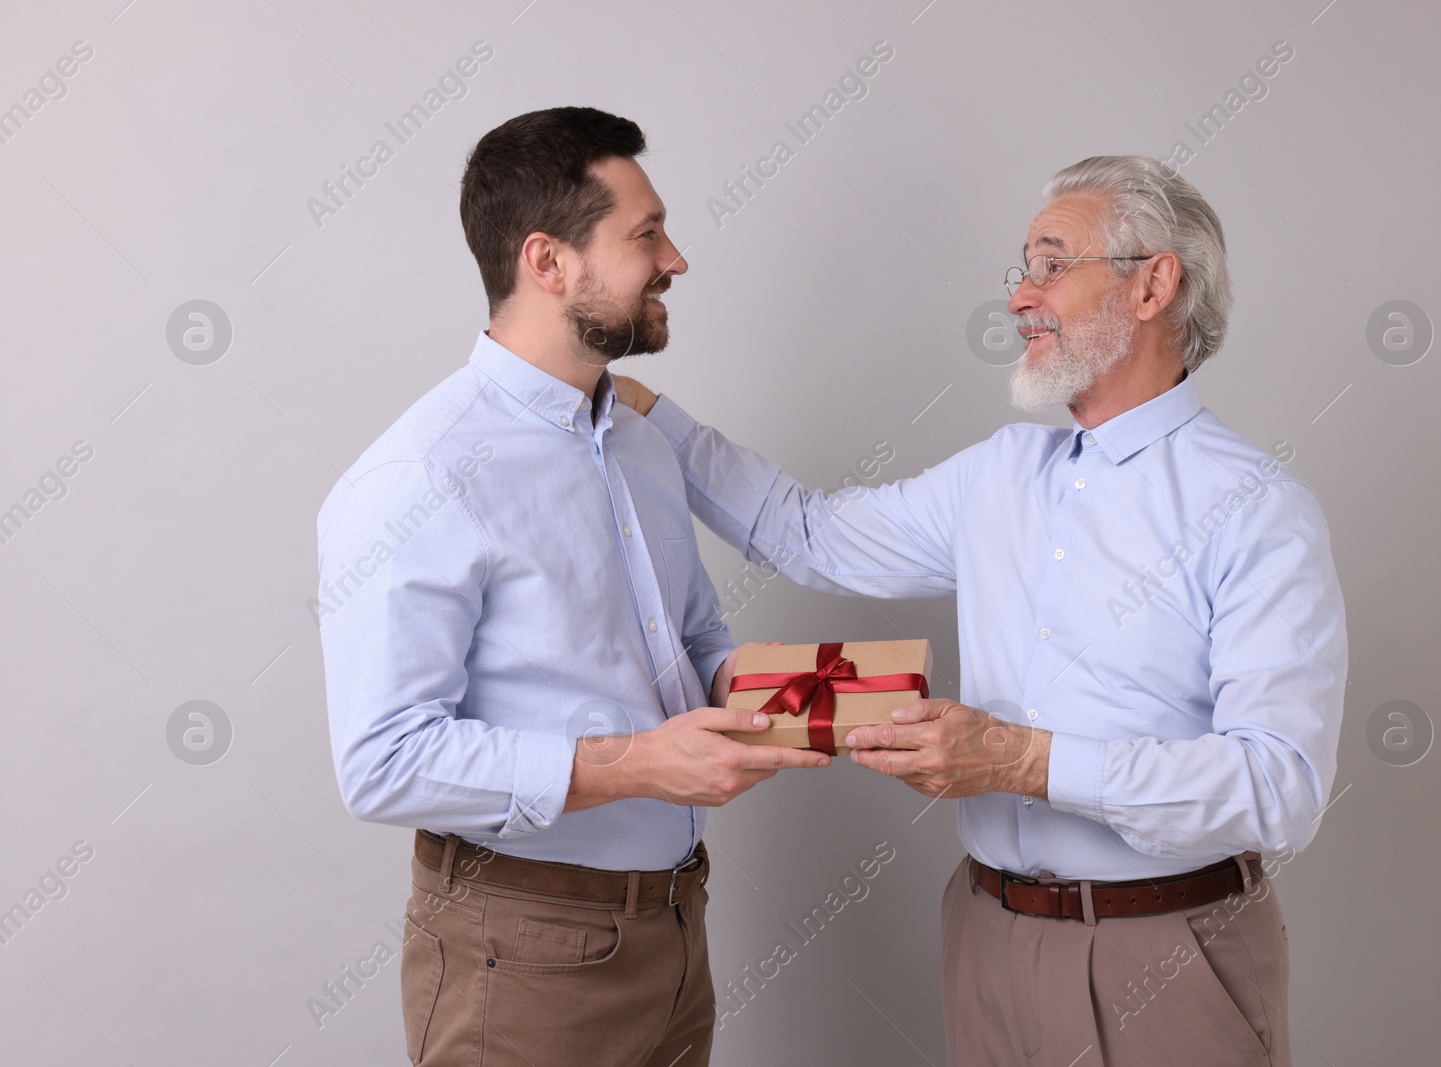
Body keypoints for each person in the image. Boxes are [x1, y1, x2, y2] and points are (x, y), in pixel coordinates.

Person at [612, 155, 1347, 1066]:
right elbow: (810, 534)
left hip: (1168, 951)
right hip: (987, 935)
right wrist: (647, 412)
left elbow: (1280, 787)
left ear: (1156, 282)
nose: (1018, 300)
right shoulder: (1002, 471)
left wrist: (1020, 759)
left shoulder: (1257, 506)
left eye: (1050, 264)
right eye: (1022, 270)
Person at [315, 106, 828, 1067]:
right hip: (521, 955)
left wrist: (797, 698)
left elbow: (695, 640)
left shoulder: (638, 444)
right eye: (645, 235)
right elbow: (381, 759)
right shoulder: (420, 476)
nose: (675, 259)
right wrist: (639, 765)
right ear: (548, 263)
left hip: (677, 926)